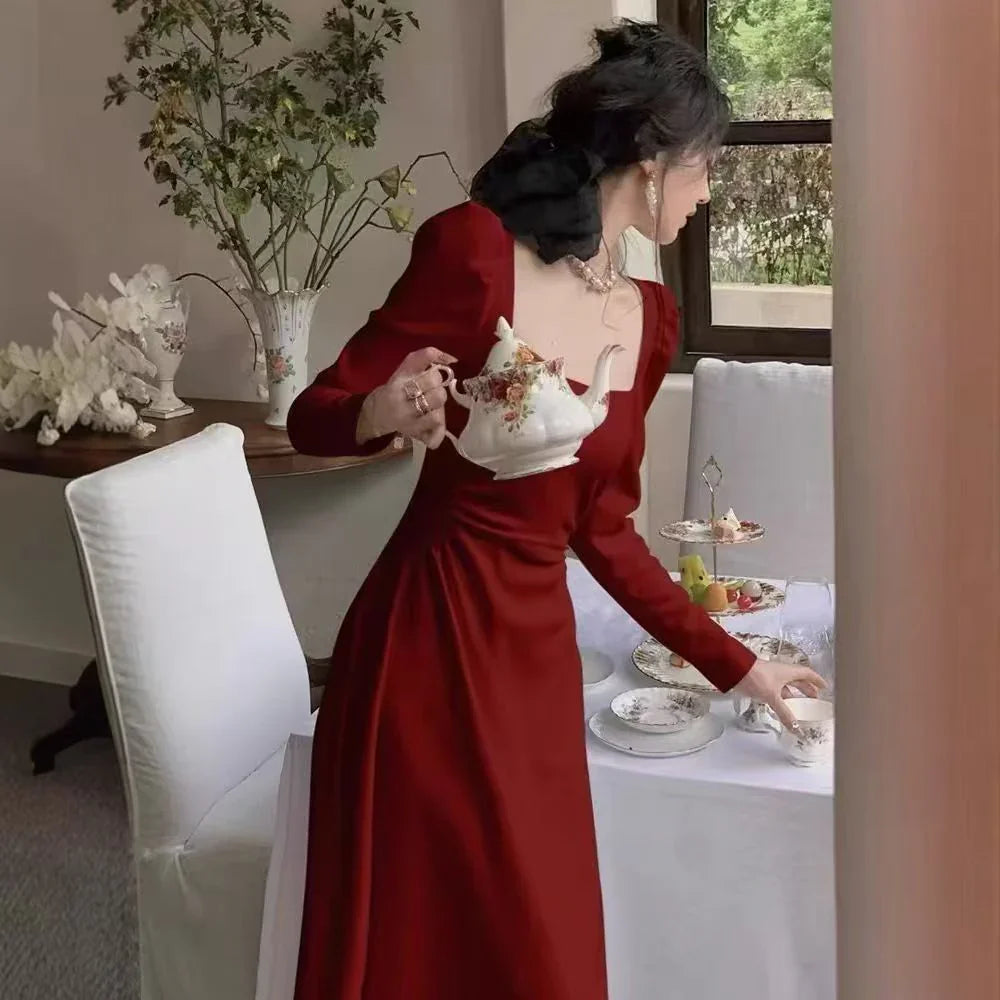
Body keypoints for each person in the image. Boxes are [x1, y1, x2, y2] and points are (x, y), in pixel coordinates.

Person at [286, 19, 825, 1000]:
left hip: (530, 663)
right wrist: (377, 407)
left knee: (541, 944)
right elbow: (313, 414)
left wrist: (743, 668)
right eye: (705, 169)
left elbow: (604, 534)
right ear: (652, 161)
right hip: (426, 644)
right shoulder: (473, 253)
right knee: (422, 949)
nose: (708, 196)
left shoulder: (649, 319)